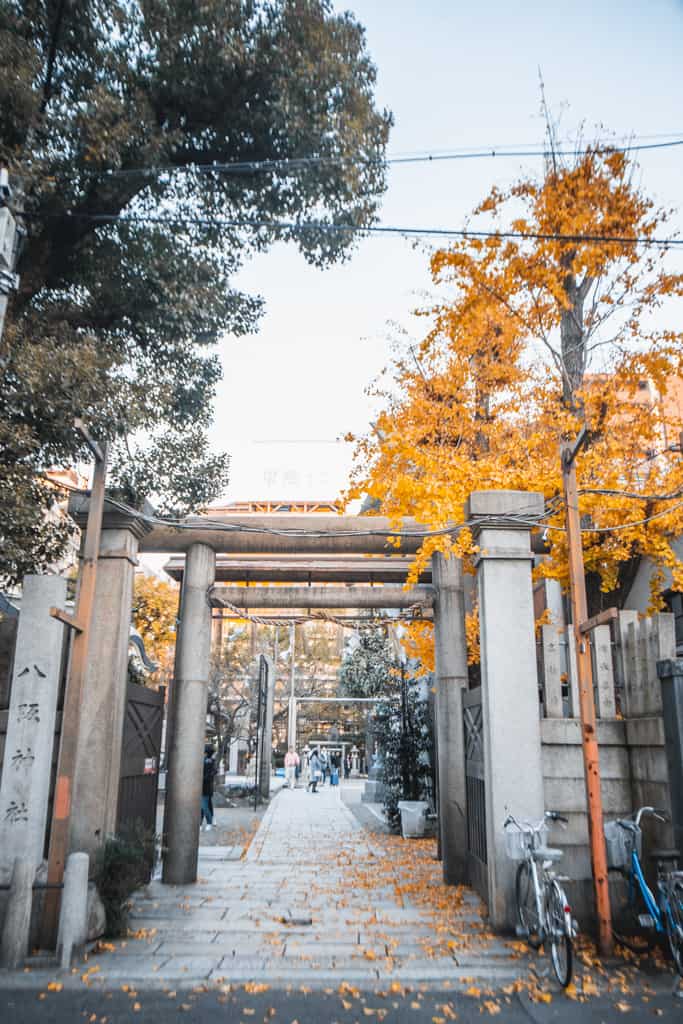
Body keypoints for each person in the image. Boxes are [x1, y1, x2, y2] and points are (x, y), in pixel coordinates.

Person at [201, 744, 217, 831]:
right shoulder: (210, 761)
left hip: (205, 786)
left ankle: (209, 822)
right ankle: (209, 821)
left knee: (204, 806)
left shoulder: (208, 761)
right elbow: (214, 772)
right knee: (206, 805)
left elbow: (213, 772)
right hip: (207, 786)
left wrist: (205, 778)